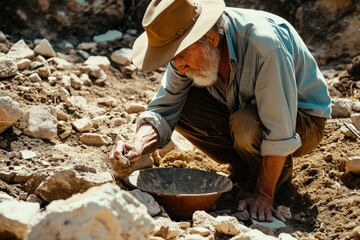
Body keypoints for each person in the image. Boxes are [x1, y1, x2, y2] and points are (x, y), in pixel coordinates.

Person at [109, 0, 331, 222]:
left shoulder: (264, 46)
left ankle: (275, 179)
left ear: (212, 39)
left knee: (245, 124)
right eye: (171, 59)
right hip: (241, 110)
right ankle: (246, 165)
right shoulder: (187, 47)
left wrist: (264, 195)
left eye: (181, 56)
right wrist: (138, 144)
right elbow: (164, 108)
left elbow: (280, 130)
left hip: (301, 121)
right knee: (186, 104)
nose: (178, 67)